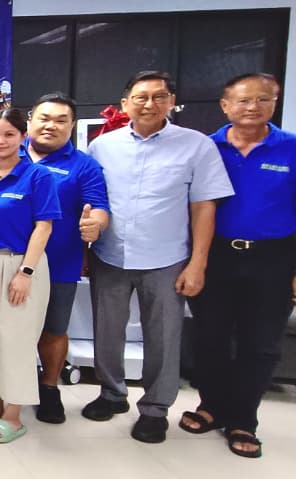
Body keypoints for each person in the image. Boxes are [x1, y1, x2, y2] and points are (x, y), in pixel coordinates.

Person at [84, 70, 233, 444]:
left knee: (163, 337)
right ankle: (112, 393)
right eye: (141, 97)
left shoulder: (196, 145)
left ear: (171, 102)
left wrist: (198, 262)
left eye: (158, 96)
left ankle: (154, 409)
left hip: (166, 258)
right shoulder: (103, 146)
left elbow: (204, 207)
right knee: (107, 332)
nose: (149, 104)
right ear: (125, 104)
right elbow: (92, 198)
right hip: (110, 255)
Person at [182, 73, 295, 458]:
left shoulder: (290, 148)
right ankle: (211, 405)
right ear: (225, 105)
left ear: (274, 103)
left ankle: (244, 418)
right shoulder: (205, 148)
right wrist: (195, 262)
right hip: (215, 255)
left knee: (260, 343)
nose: (253, 107)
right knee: (210, 336)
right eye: (243, 100)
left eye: (263, 99)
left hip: (274, 257)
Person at [0, 108, 60, 444]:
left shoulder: (38, 176)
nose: (0, 141)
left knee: (15, 340)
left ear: (23, 137)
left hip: (18, 264)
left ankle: (13, 416)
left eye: (9, 134)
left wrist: (25, 272)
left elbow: (44, 227)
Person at [25, 93, 110, 424]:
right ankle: (11, 381)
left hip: (58, 262)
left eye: (61, 120)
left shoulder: (83, 165)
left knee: (54, 329)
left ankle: (48, 388)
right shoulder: (6, 154)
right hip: (7, 261)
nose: (51, 126)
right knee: (10, 327)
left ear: (72, 126)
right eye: (44, 118)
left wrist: (95, 225)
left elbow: (98, 207)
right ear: (30, 120)